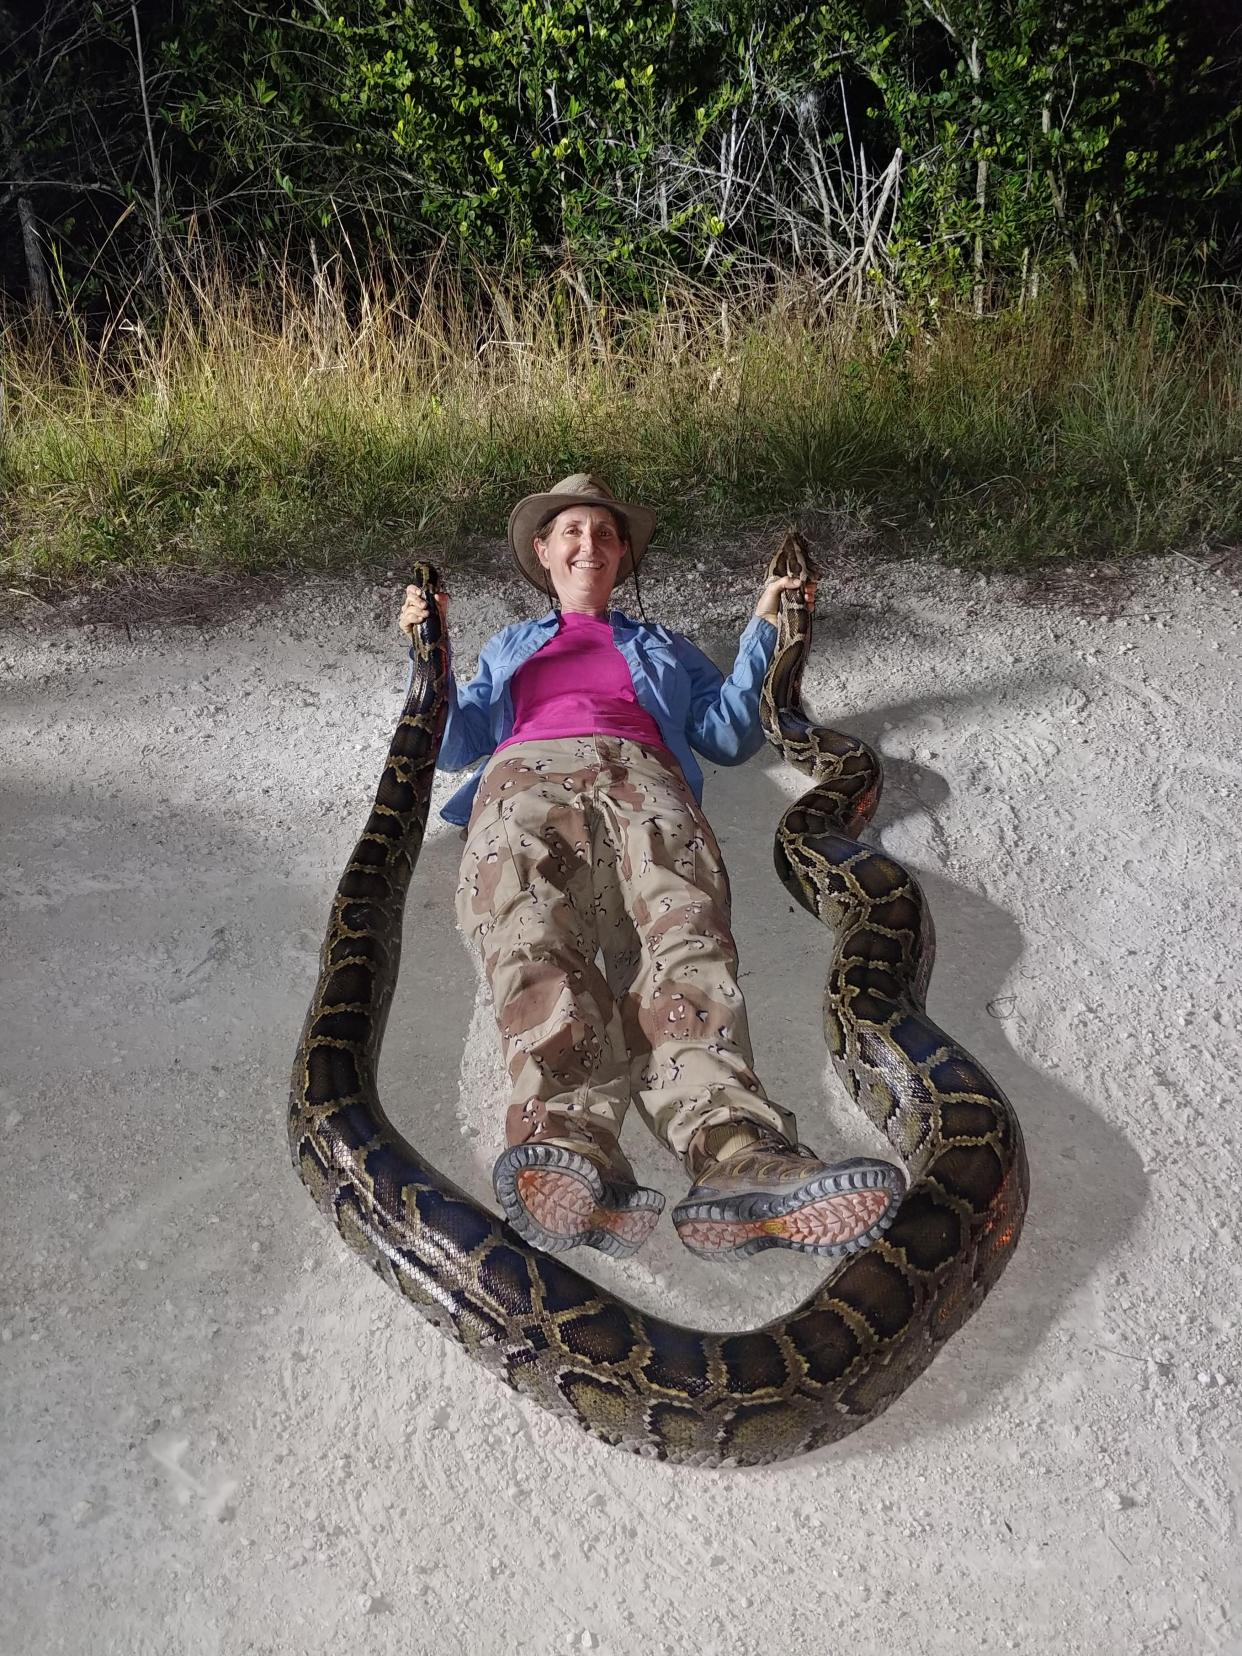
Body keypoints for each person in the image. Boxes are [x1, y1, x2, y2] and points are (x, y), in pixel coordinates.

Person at [399, 473, 904, 1263]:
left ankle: (737, 1152)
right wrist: (427, 652)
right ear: (543, 551)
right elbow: (454, 741)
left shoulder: (662, 646)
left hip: (645, 778)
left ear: (624, 554)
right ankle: (570, 1148)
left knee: (685, 941)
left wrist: (765, 630)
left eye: (604, 533)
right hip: (525, 779)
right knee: (531, 937)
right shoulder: (511, 648)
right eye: (571, 530)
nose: (588, 544)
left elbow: (731, 736)